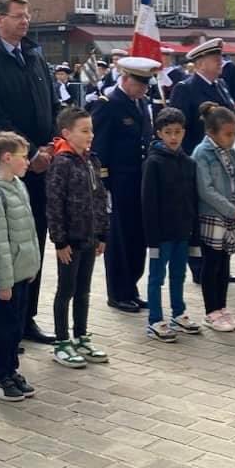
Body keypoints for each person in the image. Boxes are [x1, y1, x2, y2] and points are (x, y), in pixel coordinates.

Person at [0, 0, 58, 346]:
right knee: (7, 247)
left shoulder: (34, 56)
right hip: (9, 171)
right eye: (18, 16)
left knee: (33, 243)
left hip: (41, 168)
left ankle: (26, 318)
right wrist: (29, 153)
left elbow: (51, 104)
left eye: (28, 14)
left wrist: (52, 144)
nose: (25, 21)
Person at [92, 57, 159, 313]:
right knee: (119, 239)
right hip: (118, 182)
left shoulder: (141, 103)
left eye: (146, 85)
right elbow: (99, 148)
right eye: (140, 84)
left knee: (136, 238)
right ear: (126, 79)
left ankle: (131, 287)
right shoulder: (108, 105)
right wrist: (104, 183)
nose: (144, 89)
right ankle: (118, 293)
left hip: (139, 181)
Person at [46, 107, 109, 368]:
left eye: (91, 130)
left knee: (83, 290)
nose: (90, 135)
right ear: (66, 133)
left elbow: (100, 197)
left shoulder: (91, 160)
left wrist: (103, 232)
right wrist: (59, 241)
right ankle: (61, 341)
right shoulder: (61, 163)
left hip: (90, 238)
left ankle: (81, 335)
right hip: (70, 242)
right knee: (66, 290)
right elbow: (54, 204)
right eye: (84, 131)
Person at [0, 131, 40, 402]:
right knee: (3, 329)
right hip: (7, 278)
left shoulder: (19, 184)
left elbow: (28, 229)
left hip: (22, 271)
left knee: (16, 328)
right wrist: (2, 283)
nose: (28, 162)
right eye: (23, 157)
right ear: (7, 158)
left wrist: (32, 265)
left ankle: (11, 370)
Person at [140, 106, 201, 341]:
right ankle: (155, 319)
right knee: (157, 277)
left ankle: (179, 312)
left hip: (182, 232)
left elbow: (192, 199)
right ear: (159, 133)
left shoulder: (188, 162)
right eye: (168, 132)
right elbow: (148, 203)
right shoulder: (153, 163)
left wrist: (193, 234)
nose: (173, 137)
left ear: (184, 132)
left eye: (177, 132)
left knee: (179, 274)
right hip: (161, 234)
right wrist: (152, 238)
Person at [192, 102, 235, 329]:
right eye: (227, 134)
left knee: (225, 262)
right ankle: (211, 311)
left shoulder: (232, 152)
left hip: (231, 216)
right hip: (212, 216)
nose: (233, 138)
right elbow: (205, 189)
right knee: (212, 263)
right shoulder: (202, 153)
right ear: (211, 133)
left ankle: (223, 306)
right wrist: (230, 208)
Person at [169, 38, 235, 155]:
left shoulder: (221, 84)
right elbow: (179, 127)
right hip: (199, 154)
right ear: (200, 64)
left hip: (225, 152)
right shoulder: (185, 88)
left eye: (221, 59)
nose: (221, 63)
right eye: (216, 60)